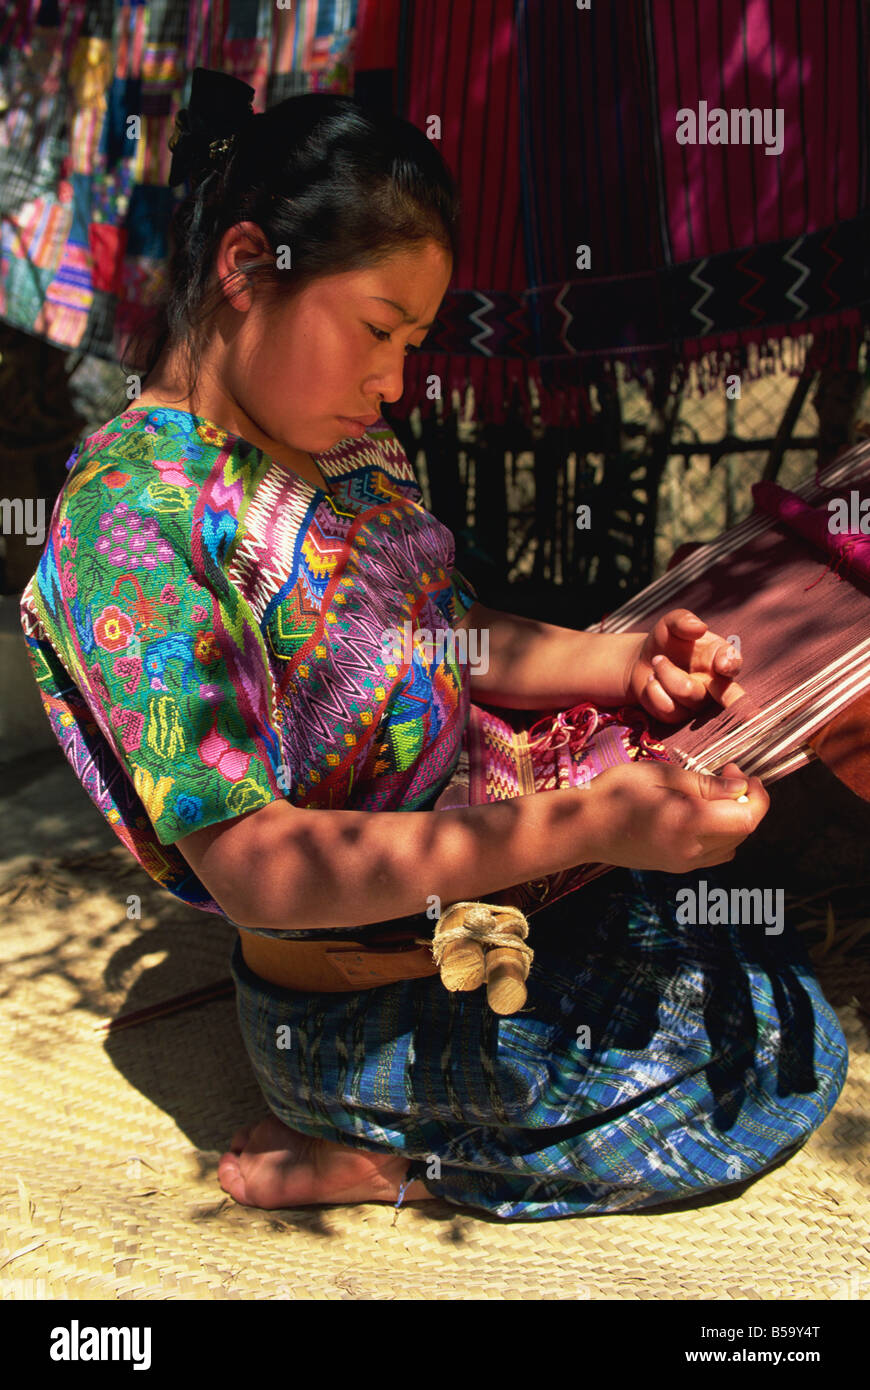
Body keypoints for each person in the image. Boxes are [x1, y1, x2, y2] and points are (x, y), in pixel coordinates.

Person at [20, 70, 848, 1221]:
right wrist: (590, 822)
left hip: (485, 906)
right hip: (365, 1006)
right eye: (375, 329)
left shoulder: (349, 453)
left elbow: (448, 638)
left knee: (770, 987)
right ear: (250, 266)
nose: (393, 378)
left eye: (410, 339)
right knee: (760, 1075)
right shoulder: (132, 528)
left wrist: (619, 664)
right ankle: (389, 1162)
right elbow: (257, 861)